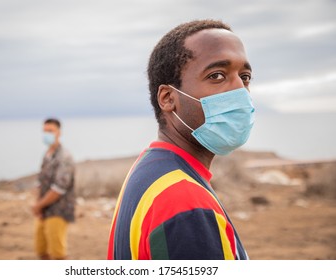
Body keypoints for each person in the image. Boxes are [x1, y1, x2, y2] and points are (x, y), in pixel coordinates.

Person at [107, 19, 254, 260]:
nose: (240, 91)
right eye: (217, 75)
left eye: (245, 77)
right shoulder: (185, 203)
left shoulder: (151, 167)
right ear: (167, 98)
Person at [32, 118, 75, 260]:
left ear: (59, 132)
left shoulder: (64, 157)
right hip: (44, 210)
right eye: (45, 131)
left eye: (50, 131)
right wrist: (38, 204)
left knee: (58, 254)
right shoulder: (47, 154)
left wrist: (38, 205)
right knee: (41, 250)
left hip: (58, 211)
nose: (47, 134)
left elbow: (59, 188)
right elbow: (41, 181)